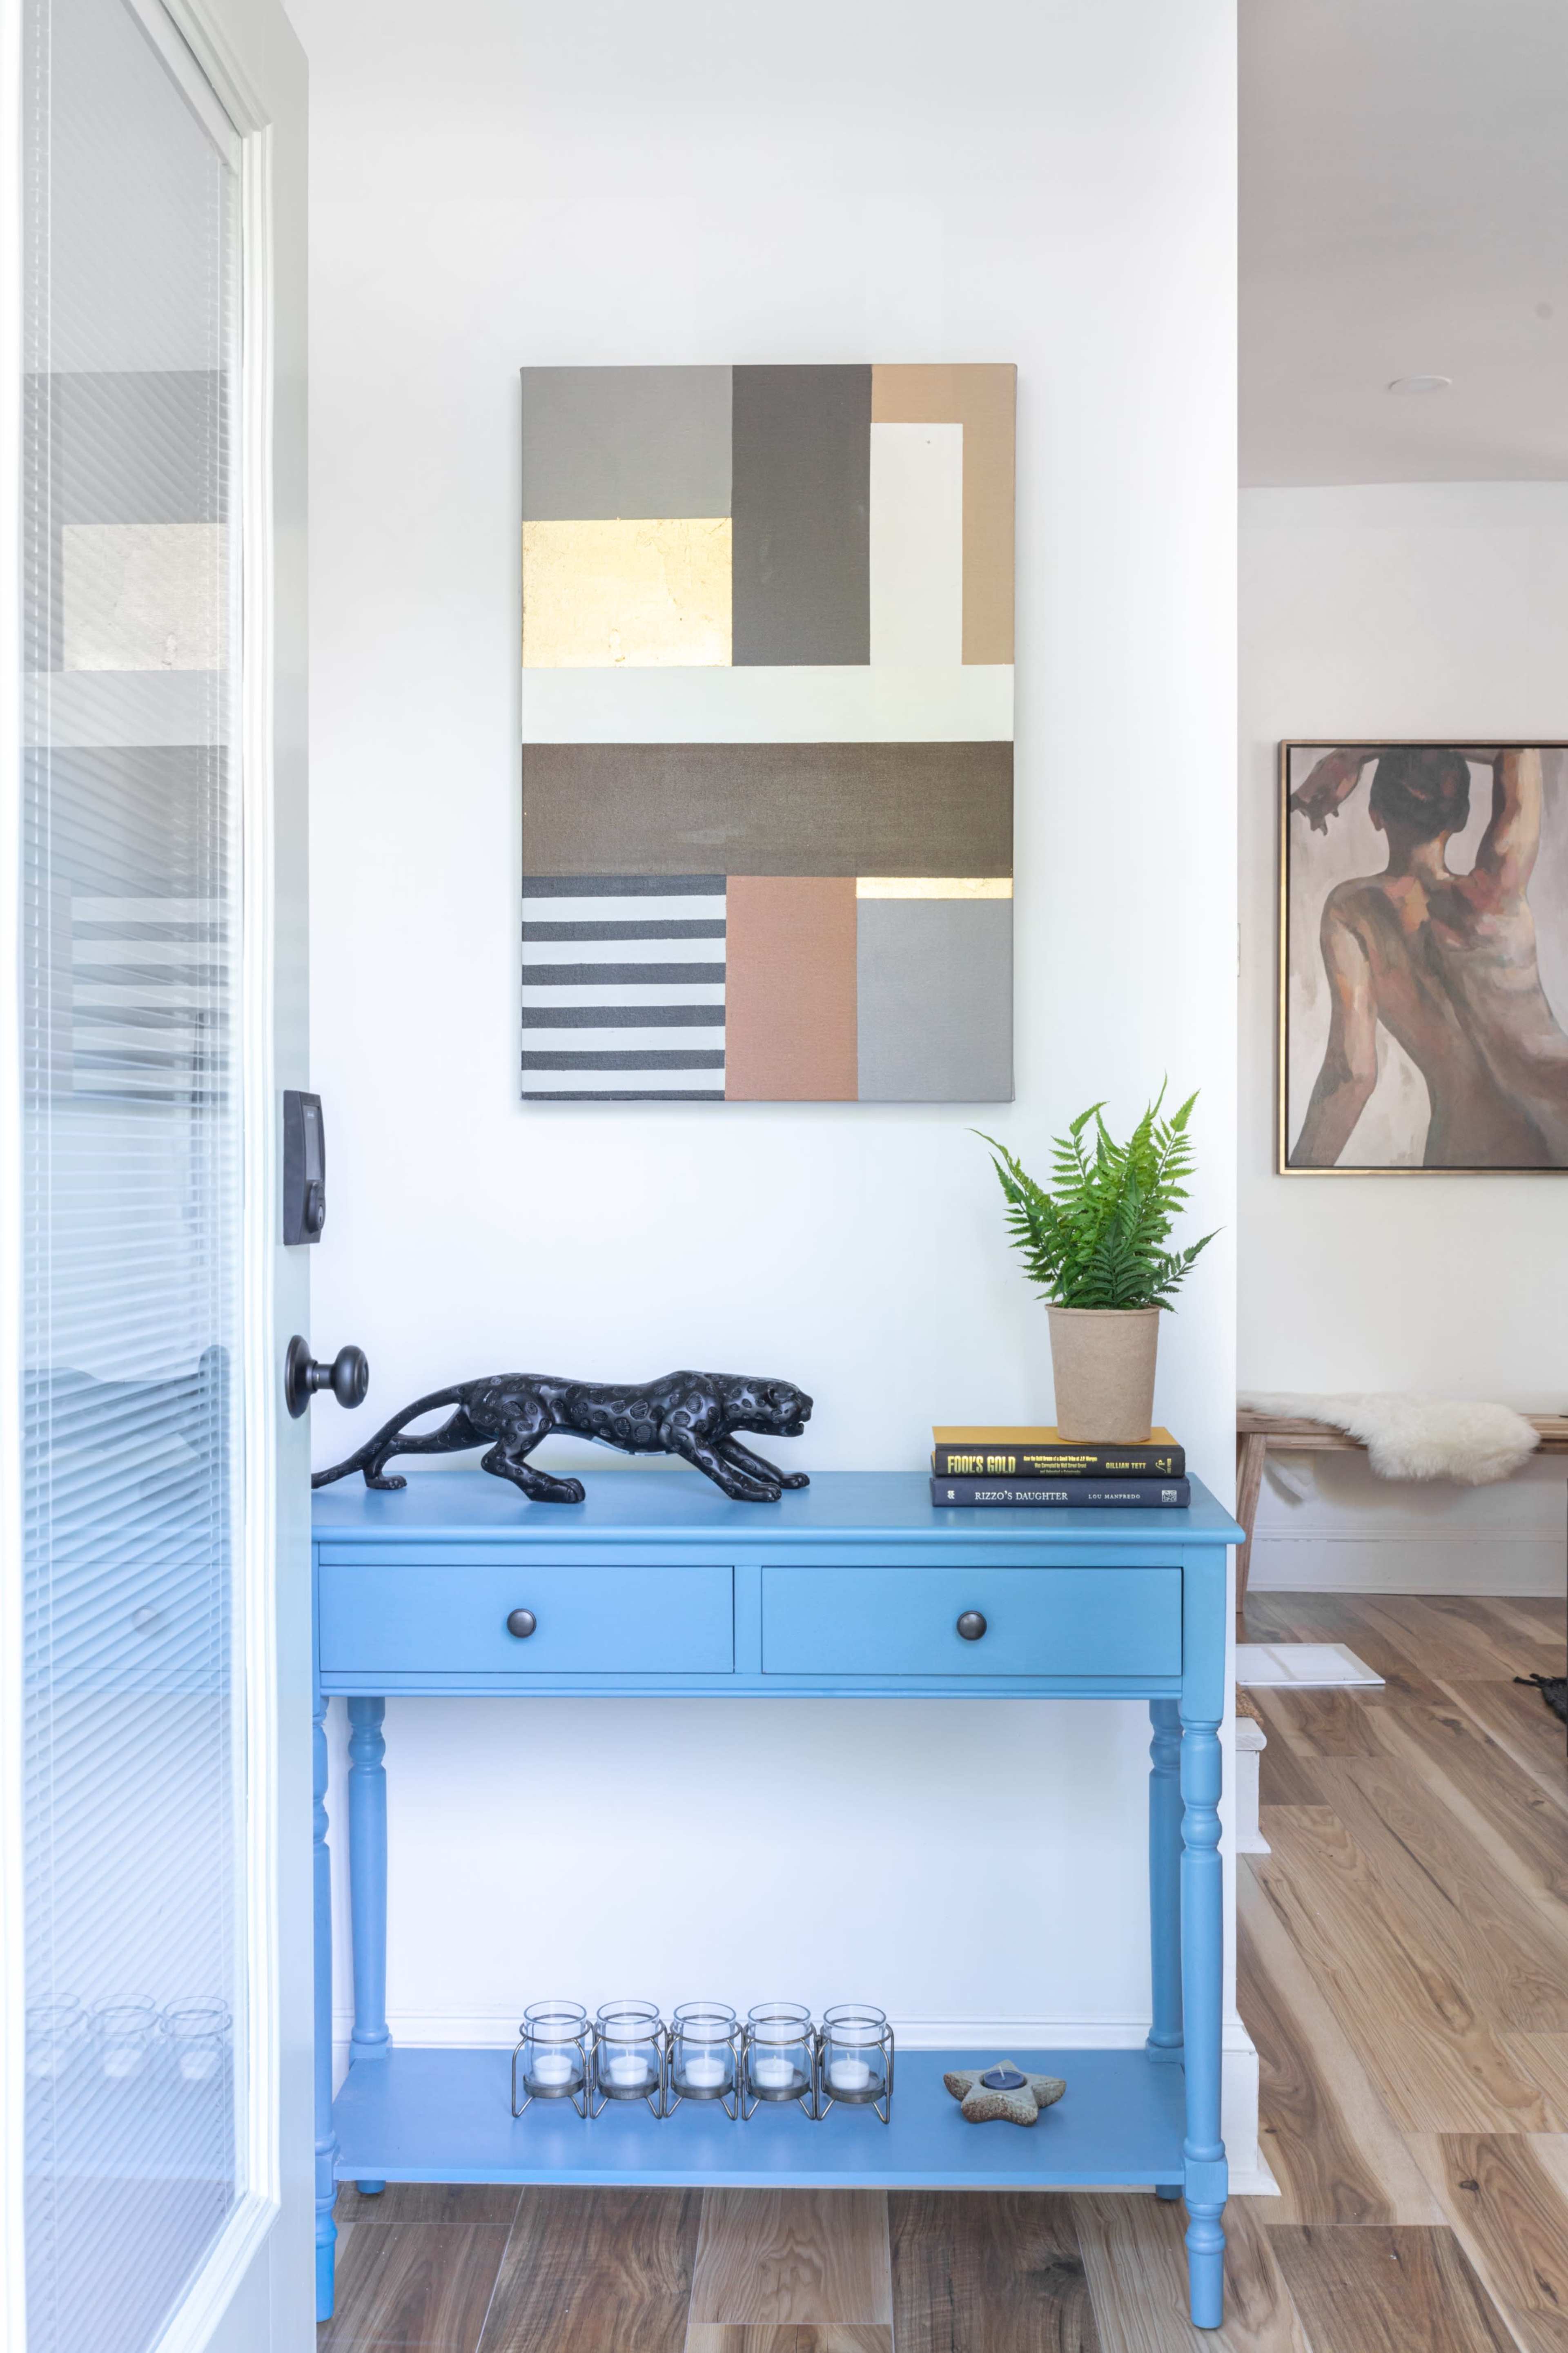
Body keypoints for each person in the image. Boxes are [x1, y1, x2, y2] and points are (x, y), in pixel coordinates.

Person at [1289, 745, 1568, 1167]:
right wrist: (1356, 755)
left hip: (1471, 1155)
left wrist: (1294, 1180)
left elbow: (1353, 1076)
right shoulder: (1498, 891)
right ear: (1459, 819)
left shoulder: (1353, 914)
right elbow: (1519, 751)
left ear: (1375, 815)